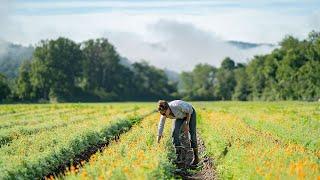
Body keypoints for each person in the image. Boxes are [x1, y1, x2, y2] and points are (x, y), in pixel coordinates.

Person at [157, 100, 199, 166]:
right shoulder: (164, 113)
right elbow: (161, 125)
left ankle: (196, 158)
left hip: (190, 113)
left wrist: (187, 124)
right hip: (180, 116)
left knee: (192, 134)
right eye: (162, 114)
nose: (164, 115)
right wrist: (158, 138)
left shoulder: (176, 106)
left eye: (164, 113)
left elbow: (189, 110)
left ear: (168, 108)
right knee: (174, 133)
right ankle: (179, 157)